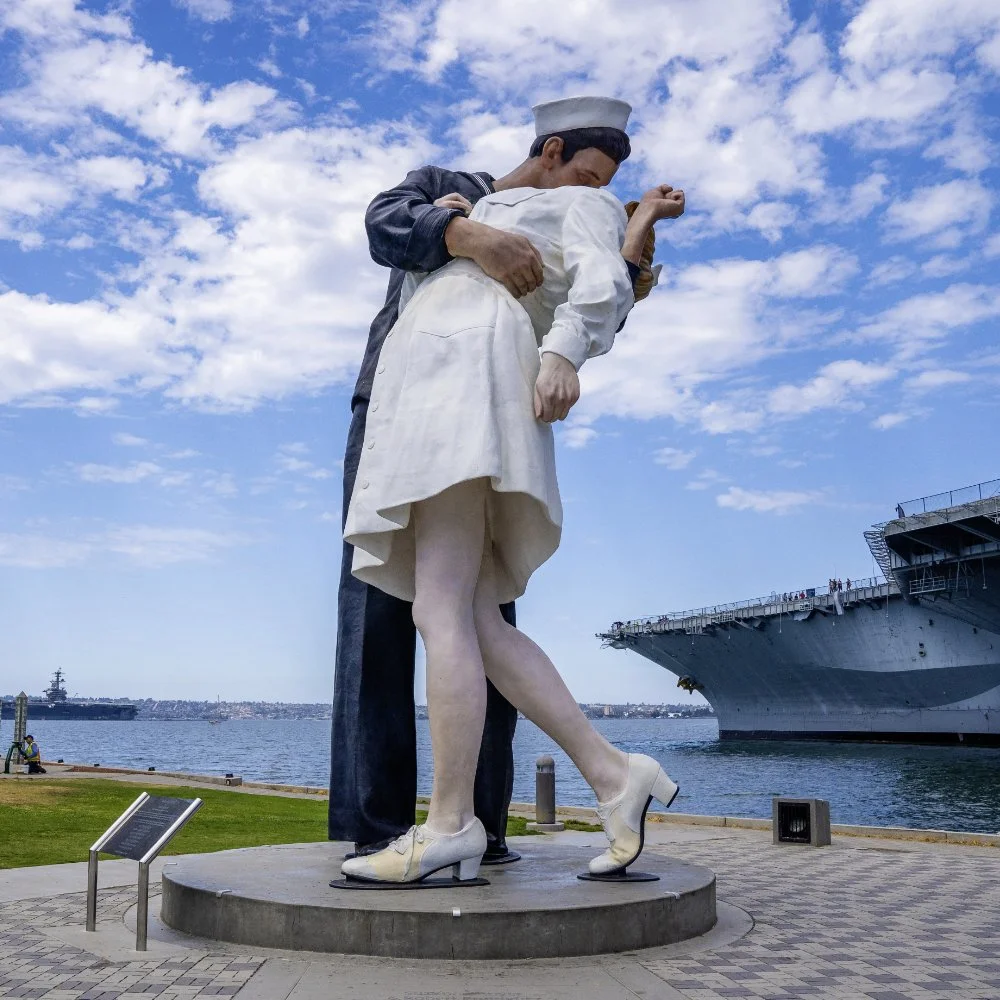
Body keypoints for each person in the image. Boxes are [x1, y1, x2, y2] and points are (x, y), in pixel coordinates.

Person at [340, 98, 685, 884]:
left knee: (440, 607)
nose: (598, 189)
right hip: (432, 382)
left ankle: (452, 822)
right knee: (471, 615)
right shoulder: (471, 198)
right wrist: (462, 221)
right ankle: (611, 775)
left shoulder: (577, 202)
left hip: (461, 380)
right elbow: (388, 220)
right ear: (553, 148)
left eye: (606, 184)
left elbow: (602, 283)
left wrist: (563, 349)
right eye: (591, 172)